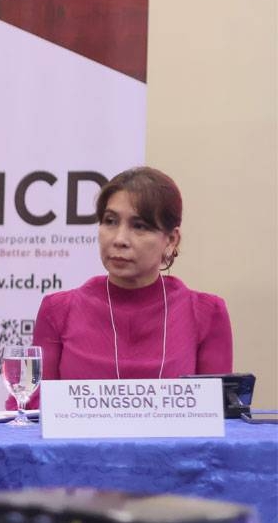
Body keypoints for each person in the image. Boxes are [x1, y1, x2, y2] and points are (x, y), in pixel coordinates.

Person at [15, 166, 233, 409]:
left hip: (173, 449)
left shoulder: (207, 312)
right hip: (77, 448)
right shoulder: (58, 309)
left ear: (171, 240)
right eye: (110, 221)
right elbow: (29, 408)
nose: (119, 239)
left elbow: (218, 419)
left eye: (139, 226)